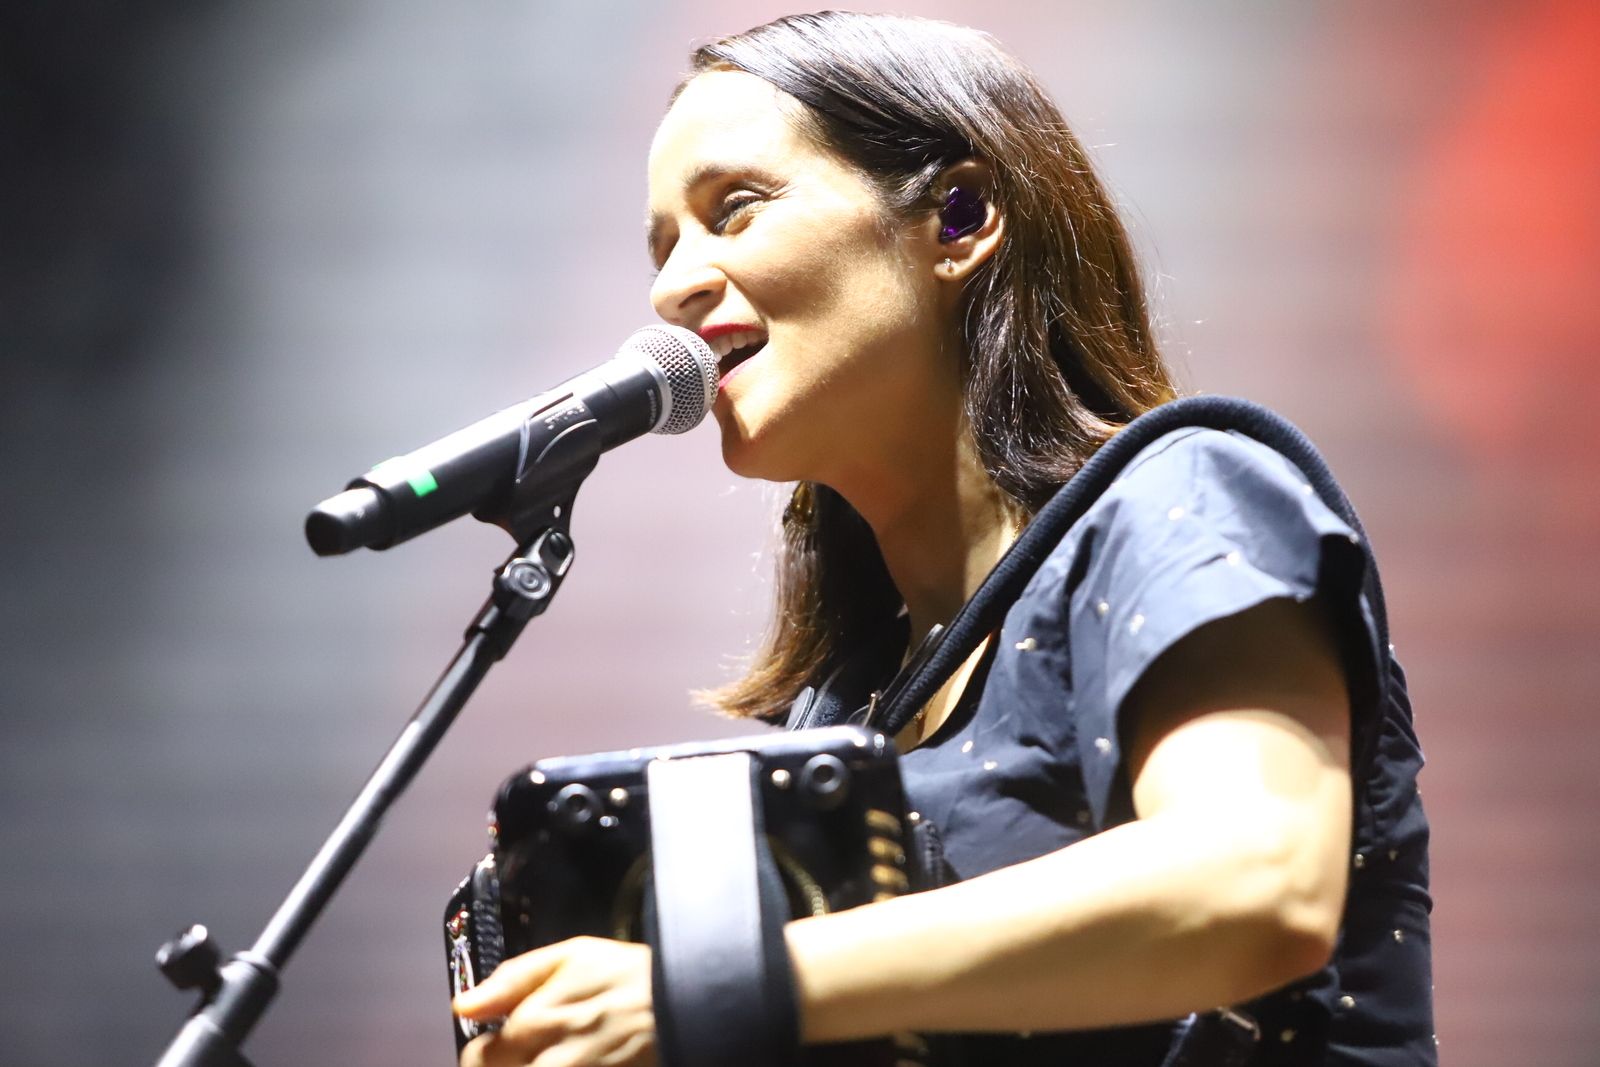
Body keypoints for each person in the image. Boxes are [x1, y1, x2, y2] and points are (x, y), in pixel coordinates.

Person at [454, 12, 1435, 1066]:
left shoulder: (1185, 495)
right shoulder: (836, 710)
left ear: (959, 217)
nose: (672, 287)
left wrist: (719, 986)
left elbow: (1257, 884)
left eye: (732, 210)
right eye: (662, 247)